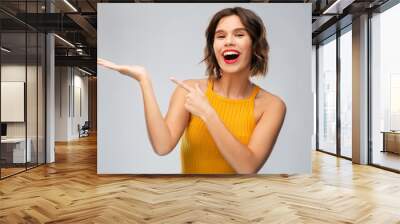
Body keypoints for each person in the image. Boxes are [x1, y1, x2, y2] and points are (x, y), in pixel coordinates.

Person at [97, 7, 286, 174]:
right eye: (220, 36)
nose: (228, 41)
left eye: (239, 34)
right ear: (213, 47)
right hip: (191, 202)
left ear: (255, 46)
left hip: (240, 206)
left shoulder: (272, 106)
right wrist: (143, 80)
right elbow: (162, 146)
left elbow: (247, 167)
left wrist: (208, 113)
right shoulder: (189, 90)